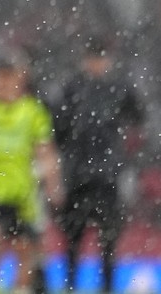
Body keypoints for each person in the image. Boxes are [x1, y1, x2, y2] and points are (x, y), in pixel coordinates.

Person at [0, 58, 63, 294]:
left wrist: (53, 185)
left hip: (23, 193)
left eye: (10, 81)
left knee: (25, 247)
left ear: (20, 82)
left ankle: (21, 289)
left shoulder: (32, 111)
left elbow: (45, 150)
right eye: (0, 81)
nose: (5, 87)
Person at [52, 37, 145, 294]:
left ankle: (106, 288)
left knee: (109, 242)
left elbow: (138, 117)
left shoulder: (118, 87)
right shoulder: (73, 87)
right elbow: (58, 128)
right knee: (73, 239)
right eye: (94, 58)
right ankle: (70, 286)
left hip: (107, 176)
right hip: (79, 177)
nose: (97, 64)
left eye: (101, 58)